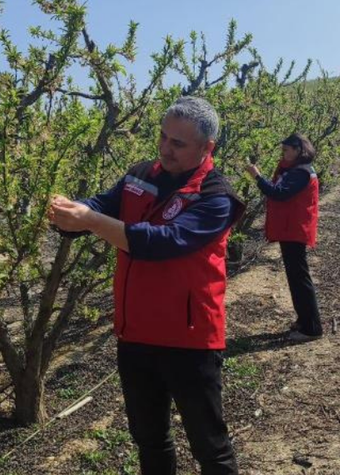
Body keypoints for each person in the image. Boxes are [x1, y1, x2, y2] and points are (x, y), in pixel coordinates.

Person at [48, 96, 243, 475]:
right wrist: (71, 212)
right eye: (163, 137)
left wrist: (89, 220)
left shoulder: (216, 196)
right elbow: (104, 203)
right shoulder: (141, 175)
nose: (165, 149)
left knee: (209, 445)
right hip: (135, 334)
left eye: (178, 143)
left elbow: (164, 242)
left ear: (208, 148)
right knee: (149, 437)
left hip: (189, 338)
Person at [246, 133, 323, 342]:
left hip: (295, 229)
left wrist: (257, 177)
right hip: (291, 228)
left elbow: (279, 193)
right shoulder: (296, 170)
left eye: (287, 150)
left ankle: (312, 328)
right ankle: (305, 320)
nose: (284, 154)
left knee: (299, 278)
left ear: (298, 149)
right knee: (295, 276)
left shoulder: (301, 172)